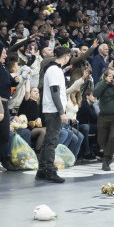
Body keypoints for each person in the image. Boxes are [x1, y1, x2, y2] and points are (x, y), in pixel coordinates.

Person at [35, 46, 72, 183]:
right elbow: (55, 91)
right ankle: (50, 170)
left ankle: (42, 169)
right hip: (54, 110)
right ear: (66, 56)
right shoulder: (54, 70)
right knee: (52, 141)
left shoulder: (53, 69)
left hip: (52, 108)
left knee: (49, 140)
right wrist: (61, 111)